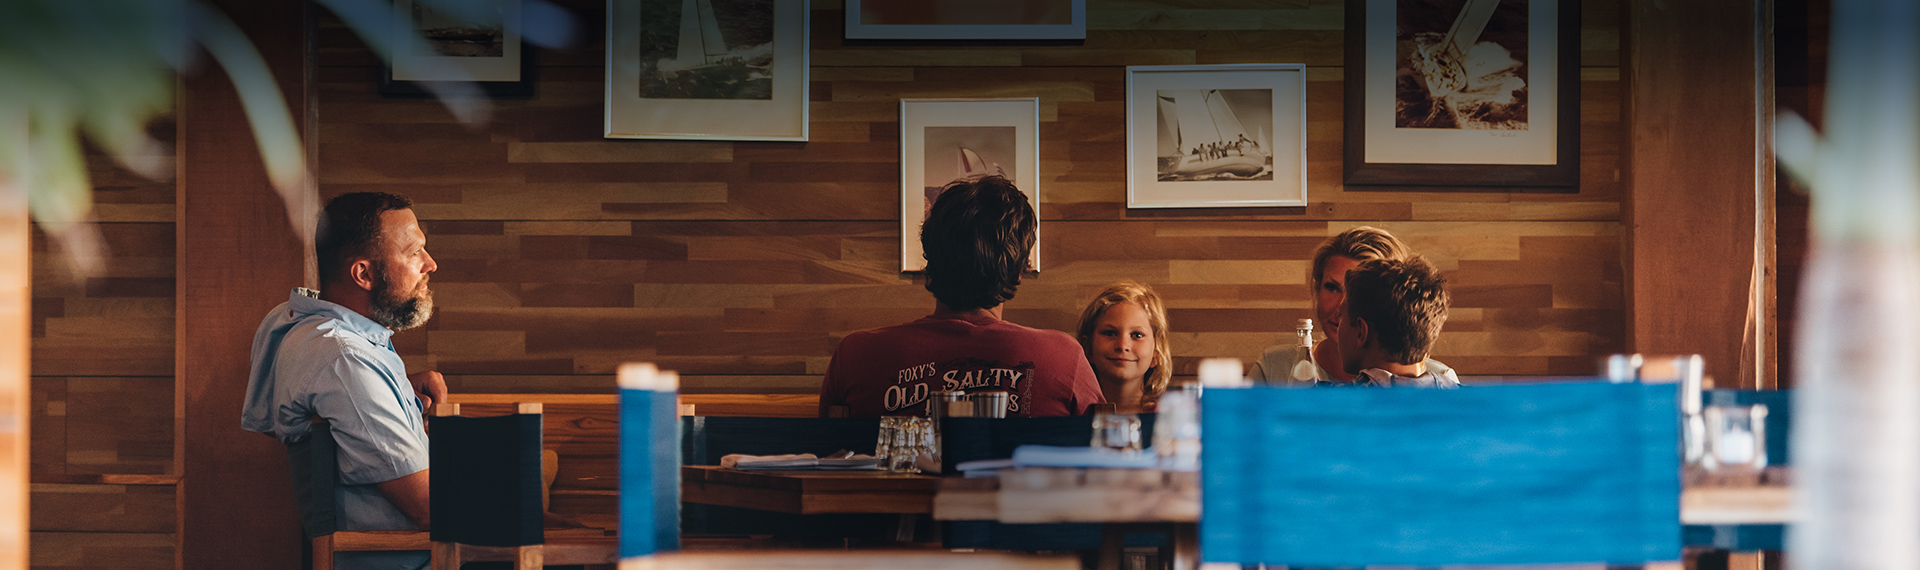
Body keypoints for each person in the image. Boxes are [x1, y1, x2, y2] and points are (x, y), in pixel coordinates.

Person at [241, 192, 445, 570]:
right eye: (414, 252)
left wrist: (397, 387)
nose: (430, 264)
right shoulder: (347, 360)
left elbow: (280, 418)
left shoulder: (290, 322)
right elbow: (431, 509)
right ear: (363, 273)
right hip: (417, 562)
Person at [818, 176, 1106, 417]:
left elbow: (829, 459)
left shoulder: (856, 355)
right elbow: (1105, 461)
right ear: (1019, 271)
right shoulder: (1063, 358)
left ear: (929, 261)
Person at [1246, 226, 1459, 385]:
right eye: (1332, 287)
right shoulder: (1274, 367)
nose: (1341, 307)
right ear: (1317, 288)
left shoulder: (1441, 380)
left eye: (1356, 294)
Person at [1329, 256, 1458, 388]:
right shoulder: (1462, 400)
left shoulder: (1328, 404)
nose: (1338, 325)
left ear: (1361, 332)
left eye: (1340, 317)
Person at [1074, 282, 1172, 413]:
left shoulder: (1171, 420)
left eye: (1137, 335)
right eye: (1110, 333)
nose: (1122, 346)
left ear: (1156, 353)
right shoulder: (1069, 415)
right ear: (1088, 348)